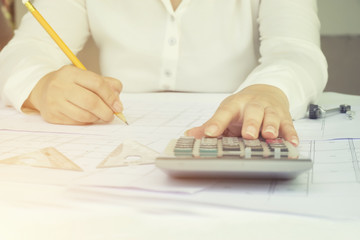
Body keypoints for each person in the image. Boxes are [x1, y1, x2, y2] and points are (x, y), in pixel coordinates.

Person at [0, 0, 328, 146]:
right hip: (114, 135)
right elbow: (23, 52)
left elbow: (297, 51)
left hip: (236, 127)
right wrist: (41, 87)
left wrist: (271, 89)